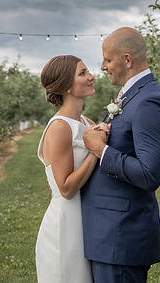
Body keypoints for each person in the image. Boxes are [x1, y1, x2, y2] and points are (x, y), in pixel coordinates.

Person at [81, 27, 160, 283]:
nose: (102, 67)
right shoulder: (133, 95)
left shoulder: (148, 101)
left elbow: (149, 174)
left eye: (107, 60)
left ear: (127, 59)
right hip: (109, 234)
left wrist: (101, 150)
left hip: (121, 237)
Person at [35, 55, 99, 283]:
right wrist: (95, 151)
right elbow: (65, 189)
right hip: (66, 224)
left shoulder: (86, 122)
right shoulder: (60, 127)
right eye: (82, 73)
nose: (91, 76)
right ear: (65, 86)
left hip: (86, 218)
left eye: (88, 71)